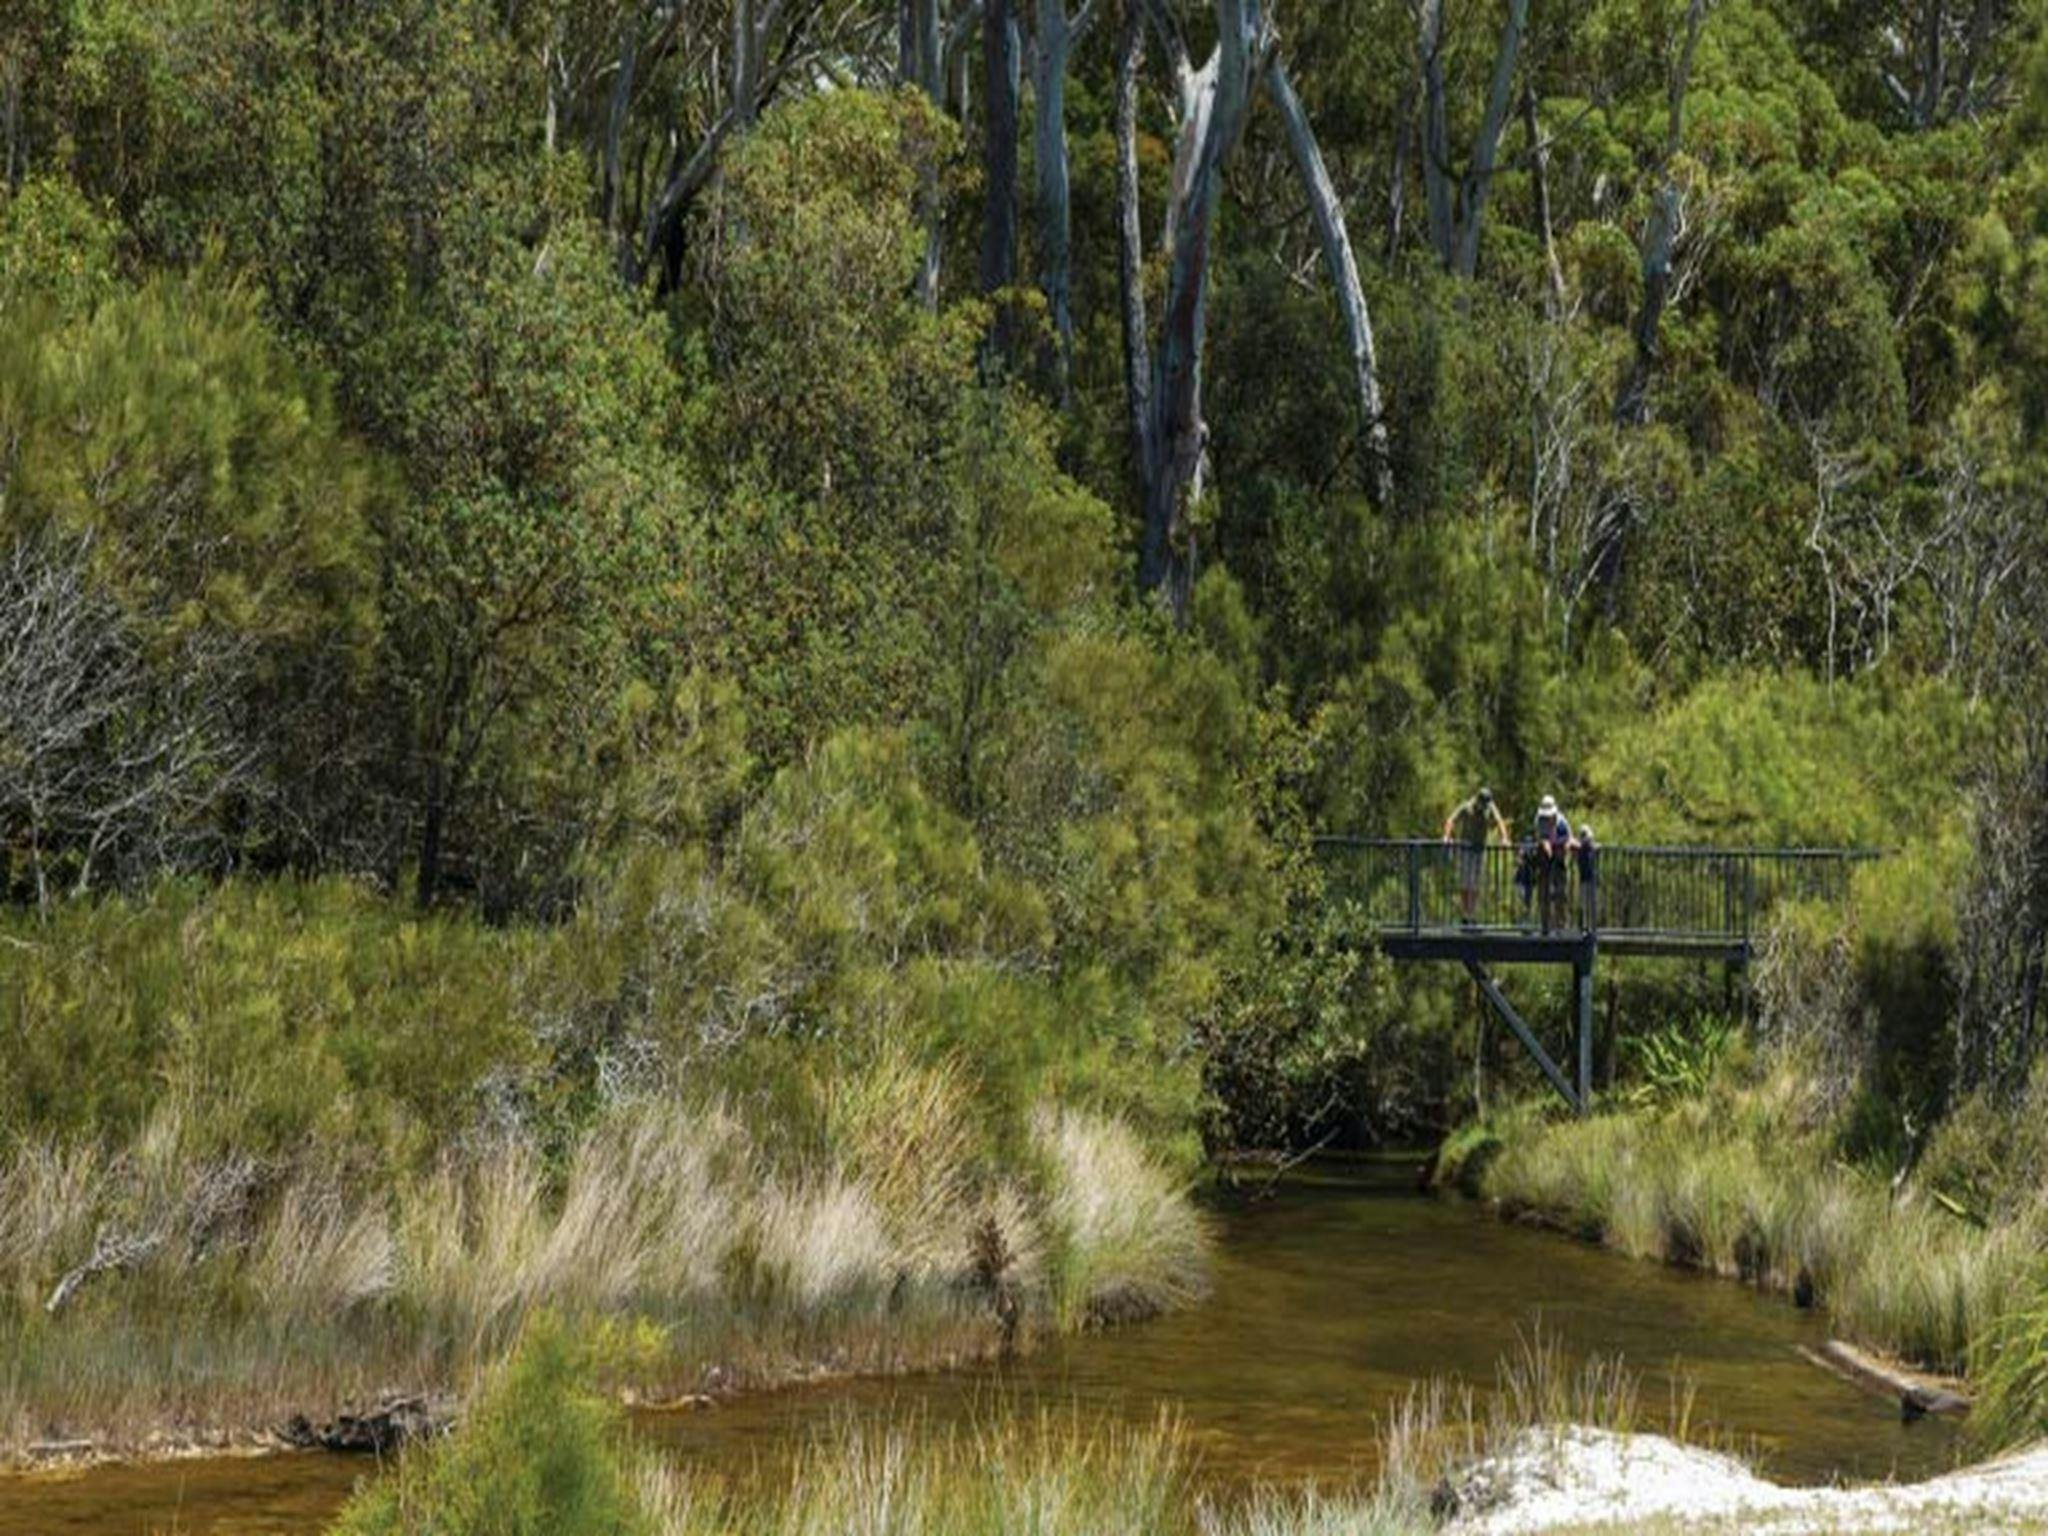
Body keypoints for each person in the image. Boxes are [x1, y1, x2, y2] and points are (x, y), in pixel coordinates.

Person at [1442, 786, 1512, 921]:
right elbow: (1451, 820)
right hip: (1466, 848)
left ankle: (1472, 913)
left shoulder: (1489, 806)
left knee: (1476, 882)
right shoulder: (1467, 807)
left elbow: (1499, 821)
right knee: (1465, 881)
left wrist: (1504, 839)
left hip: (1479, 849)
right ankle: (1465, 912)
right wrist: (1447, 837)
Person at [1532, 794, 1574, 933]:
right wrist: (1546, 845)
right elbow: (1540, 837)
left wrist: (1565, 847)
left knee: (1561, 893)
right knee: (1543, 892)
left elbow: (1569, 838)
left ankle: (1561, 925)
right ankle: (1546, 926)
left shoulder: (1562, 822)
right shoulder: (1539, 820)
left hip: (1560, 860)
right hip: (1544, 860)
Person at [1575, 823, 1600, 931]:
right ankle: (1584, 926)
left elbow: (1595, 847)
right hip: (1584, 880)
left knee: (1591, 904)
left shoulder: (1590, 848)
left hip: (1591, 879)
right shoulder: (1581, 849)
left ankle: (1591, 926)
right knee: (1584, 905)